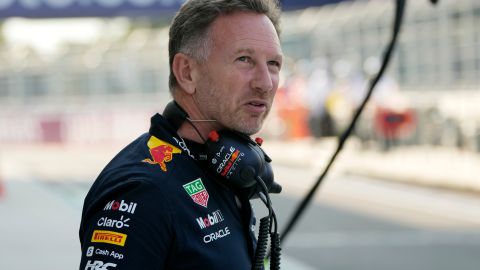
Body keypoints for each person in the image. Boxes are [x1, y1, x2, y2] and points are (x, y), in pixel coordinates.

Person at [78, 0, 283, 269]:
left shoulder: (218, 165)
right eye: (244, 59)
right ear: (187, 72)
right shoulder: (142, 191)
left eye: (273, 63)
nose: (265, 83)